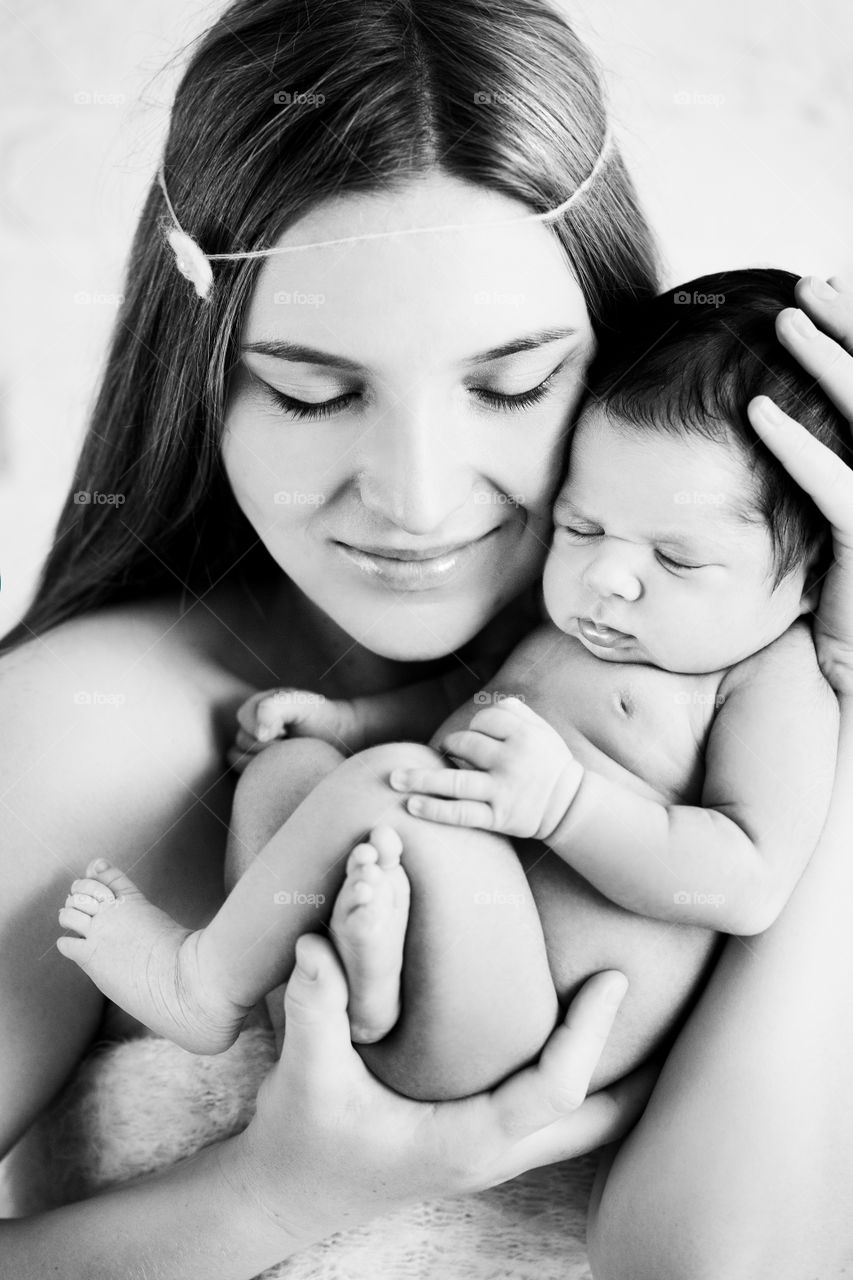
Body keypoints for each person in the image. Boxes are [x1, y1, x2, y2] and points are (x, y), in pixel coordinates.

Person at [1, 0, 851, 1275]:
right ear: (203, 374)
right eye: (312, 389)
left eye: (510, 385)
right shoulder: (80, 722)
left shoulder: (735, 691)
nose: (416, 497)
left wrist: (844, 700)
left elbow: (708, 1257)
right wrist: (273, 1195)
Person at [54, 269, 844, 1104]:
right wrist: (349, 718)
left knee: (385, 789)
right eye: (582, 526)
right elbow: (465, 708)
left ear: (808, 578)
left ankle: (203, 986)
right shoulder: (565, 620)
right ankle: (349, 984)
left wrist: (564, 807)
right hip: (408, 947)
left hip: (519, 1017)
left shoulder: (771, 679)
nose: (607, 575)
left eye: (676, 558)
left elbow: (748, 880)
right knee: (291, 771)